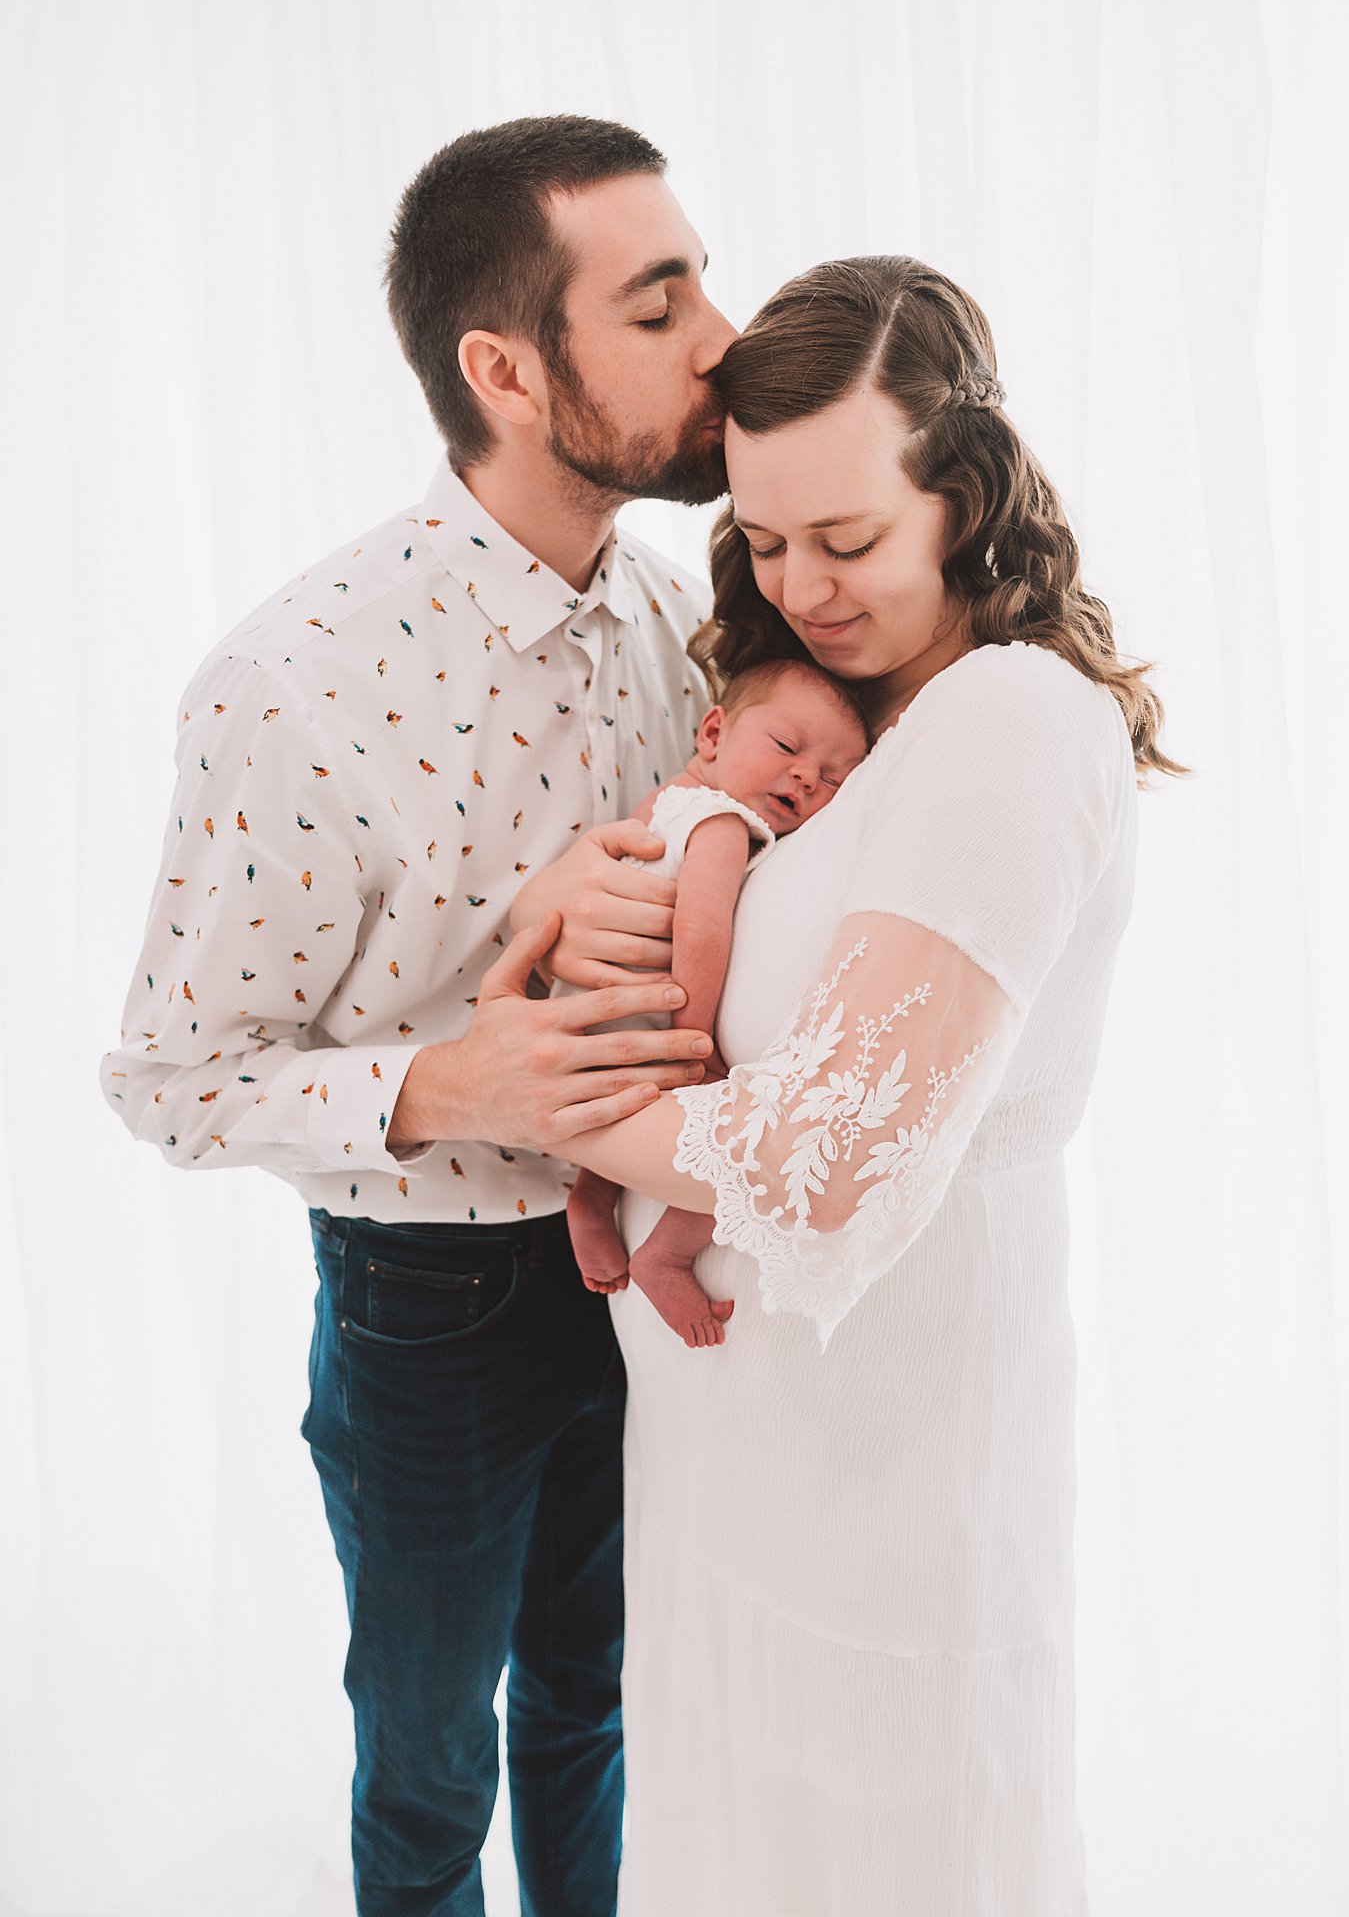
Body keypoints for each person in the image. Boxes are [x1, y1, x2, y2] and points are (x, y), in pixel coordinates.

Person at [426, 256, 1183, 1913]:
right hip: (735, 1487)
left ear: (963, 497)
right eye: (764, 543)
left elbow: (823, 1159)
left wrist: (518, 1092)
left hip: (886, 1497)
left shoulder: (1006, 719)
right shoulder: (838, 722)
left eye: (846, 540)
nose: (804, 585)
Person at [100, 114, 735, 1917]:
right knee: (432, 1765)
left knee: (597, 1707)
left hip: (649, 1269)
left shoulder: (666, 612)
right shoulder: (289, 683)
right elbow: (167, 1078)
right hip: (430, 1310)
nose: (722, 338)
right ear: (506, 371)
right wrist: (447, 1076)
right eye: (661, 300)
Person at [566, 657, 869, 1344]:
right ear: (712, 734)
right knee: (735, 1141)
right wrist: (694, 1043)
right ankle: (667, 1255)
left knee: (620, 1120)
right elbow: (700, 930)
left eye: (831, 779)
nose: (803, 776)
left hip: (594, 1014)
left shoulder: (666, 801)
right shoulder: (723, 823)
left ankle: (589, 1197)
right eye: (788, 749)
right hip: (653, 1023)